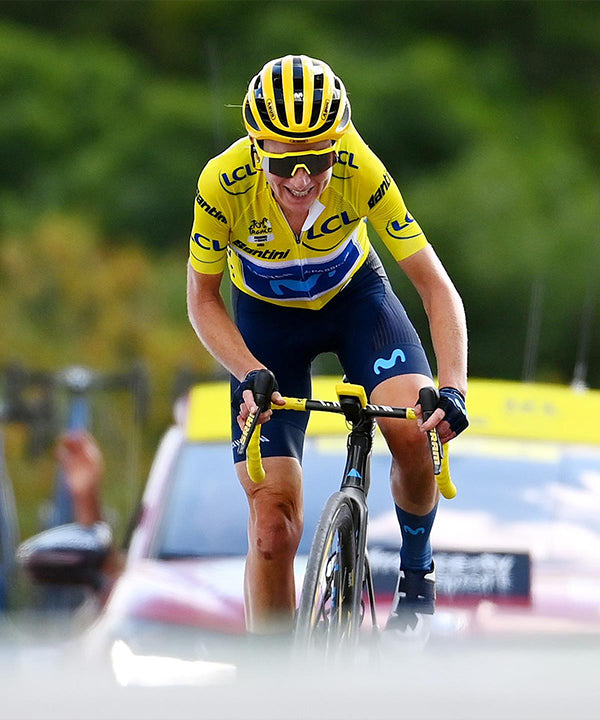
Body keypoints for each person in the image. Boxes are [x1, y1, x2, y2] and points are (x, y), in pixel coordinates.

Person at [187, 55, 468, 635]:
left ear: (337, 146)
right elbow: (202, 300)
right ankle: (275, 676)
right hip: (266, 326)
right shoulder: (222, 184)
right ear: (256, 150)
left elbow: (436, 287)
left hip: (356, 304)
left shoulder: (360, 170)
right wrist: (247, 370)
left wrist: (454, 389)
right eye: (284, 162)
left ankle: (417, 574)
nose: (301, 179)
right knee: (272, 528)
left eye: (317, 159)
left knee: (416, 434)